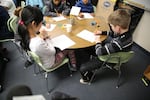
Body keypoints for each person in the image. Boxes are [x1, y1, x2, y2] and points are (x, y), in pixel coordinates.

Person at [79, 9, 133, 84]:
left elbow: (99, 52)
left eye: (111, 26)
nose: (110, 27)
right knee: (90, 48)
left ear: (117, 28)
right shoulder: (126, 33)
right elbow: (113, 33)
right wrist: (101, 32)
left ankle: (87, 79)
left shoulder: (118, 43)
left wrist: (98, 42)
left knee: (82, 68)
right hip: (119, 51)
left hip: (110, 57)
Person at [18, 5, 77, 71]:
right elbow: (53, 51)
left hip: (45, 56)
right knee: (69, 48)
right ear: (34, 24)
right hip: (51, 62)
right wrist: (46, 38)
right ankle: (73, 64)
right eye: (41, 23)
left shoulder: (28, 36)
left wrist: (43, 37)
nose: (41, 25)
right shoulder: (37, 43)